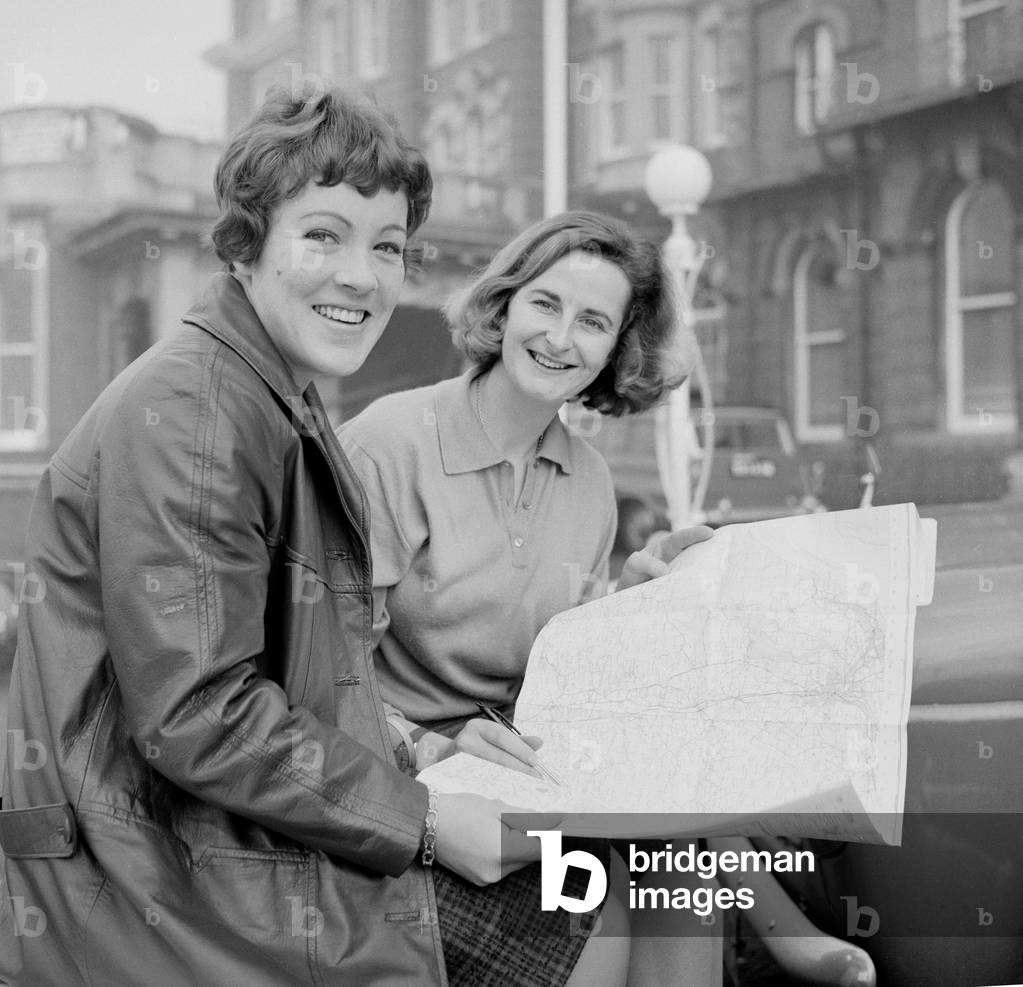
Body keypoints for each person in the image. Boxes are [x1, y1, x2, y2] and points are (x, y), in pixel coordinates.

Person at [0, 85, 570, 987]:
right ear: (246, 244)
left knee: (632, 888)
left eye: (387, 247)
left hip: (218, 836)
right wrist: (420, 818)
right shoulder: (196, 412)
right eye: (323, 235)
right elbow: (195, 713)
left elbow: (284, 673)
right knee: (592, 907)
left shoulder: (265, 388)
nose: (362, 275)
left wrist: (419, 748)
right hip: (150, 876)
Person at [339, 211, 716, 985]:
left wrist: (633, 604)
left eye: (592, 322)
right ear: (504, 305)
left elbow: (556, 655)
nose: (559, 338)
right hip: (393, 781)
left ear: (617, 347)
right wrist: (428, 749)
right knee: (593, 918)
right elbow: (316, 671)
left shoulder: (590, 481)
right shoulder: (390, 442)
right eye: (544, 304)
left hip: (523, 762)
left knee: (686, 875)